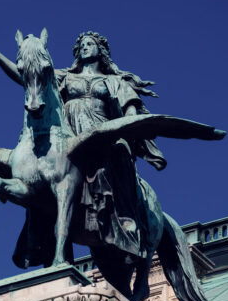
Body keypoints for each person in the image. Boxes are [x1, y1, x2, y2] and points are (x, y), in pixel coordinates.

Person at [56, 31, 164, 258]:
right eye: (82, 45)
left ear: (100, 50)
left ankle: (126, 218)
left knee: (116, 154)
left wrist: (125, 130)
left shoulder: (114, 81)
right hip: (70, 136)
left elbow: (131, 114)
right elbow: (29, 75)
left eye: (90, 44)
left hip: (102, 133)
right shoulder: (65, 78)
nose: (85, 47)